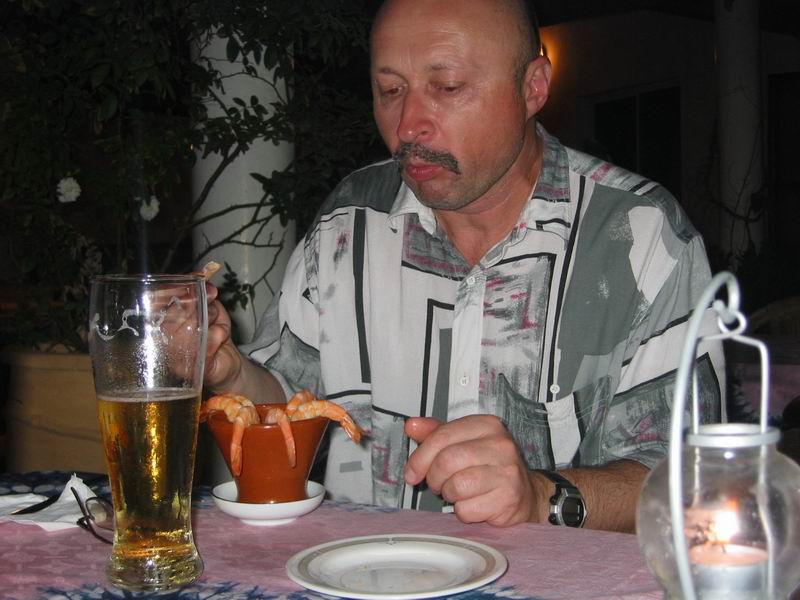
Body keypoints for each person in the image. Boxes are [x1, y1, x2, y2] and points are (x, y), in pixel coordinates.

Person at [203, 0, 724, 532]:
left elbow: (694, 482)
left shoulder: (639, 236)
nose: (408, 126)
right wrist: (229, 370)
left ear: (533, 88)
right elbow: (288, 413)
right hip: (357, 571)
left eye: (447, 88)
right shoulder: (348, 223)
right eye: (391, 91)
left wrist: (541, 496)